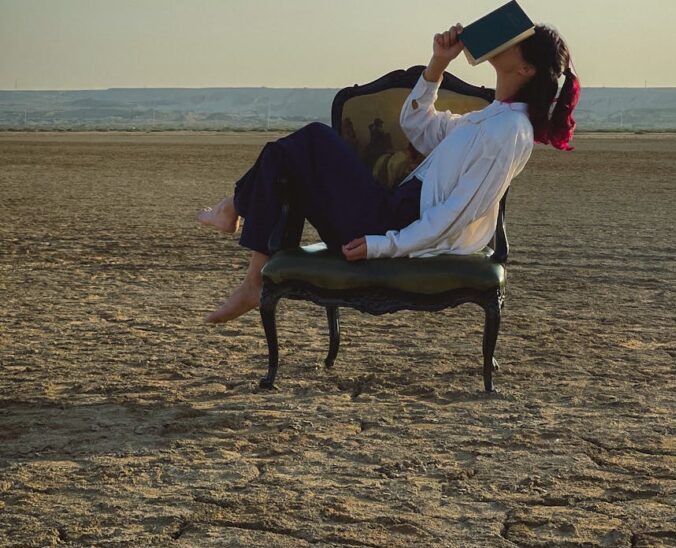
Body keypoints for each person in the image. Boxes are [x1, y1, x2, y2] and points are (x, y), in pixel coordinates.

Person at [197, 22, 580, 323]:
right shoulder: (491, 118)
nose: (504, 38)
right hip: (390, 209)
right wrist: (439, 63)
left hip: (391, 223)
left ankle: (237, 222)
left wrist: (384, 245)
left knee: (312, 140)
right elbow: (419, 126)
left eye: (516, 39)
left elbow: (457, 213)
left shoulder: (510, 131)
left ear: (526, 68)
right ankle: (244, 247)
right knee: (290, 156)